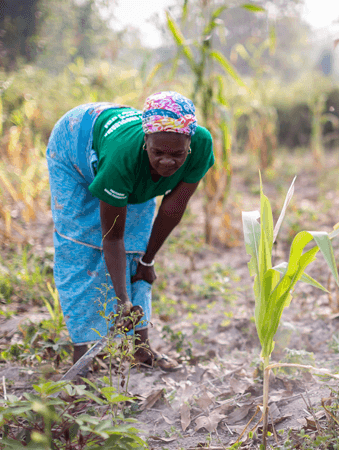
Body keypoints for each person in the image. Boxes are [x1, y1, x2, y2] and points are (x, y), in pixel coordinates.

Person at [46, 91, 215, 374]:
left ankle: (141, 349)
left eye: (177, 154)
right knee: (81, 249)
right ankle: (84, 353)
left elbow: (172, 209)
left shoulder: (201, 144)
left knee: (136, 248)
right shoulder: (123, 158)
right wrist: (122, 299)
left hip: (122, 159)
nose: (167, 162)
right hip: (74, 143)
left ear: (189, 144)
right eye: (158, 152)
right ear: (145, 141)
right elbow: (112, 237)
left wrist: (147, 261)